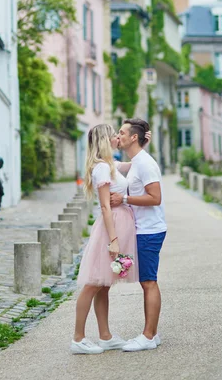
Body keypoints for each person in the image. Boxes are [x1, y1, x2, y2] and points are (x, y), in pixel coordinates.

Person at [71, 124, 150, 355]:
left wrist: (143, 142)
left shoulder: (110, 165)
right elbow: (105, 207)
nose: (118, 137)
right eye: (114, 134)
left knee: (103, 285)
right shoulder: (102, 169)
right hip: (111, 227)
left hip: (118, 225)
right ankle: (78, 338)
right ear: (105, 140)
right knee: (94, 283)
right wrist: (113, 239)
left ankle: (105, 336)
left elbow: (135, 161)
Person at [111, 118, 167, 352]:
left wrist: (123, 199)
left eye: (122, 132)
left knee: (149, 282)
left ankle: (148, 336)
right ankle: (151, 334)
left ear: (134, 137)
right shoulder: (137, 160)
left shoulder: (144, 163)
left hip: (149, 230)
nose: (118, 135)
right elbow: (113, 166)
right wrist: (112, 147)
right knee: (147, 282)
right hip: (143, 230)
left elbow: (155, 198)